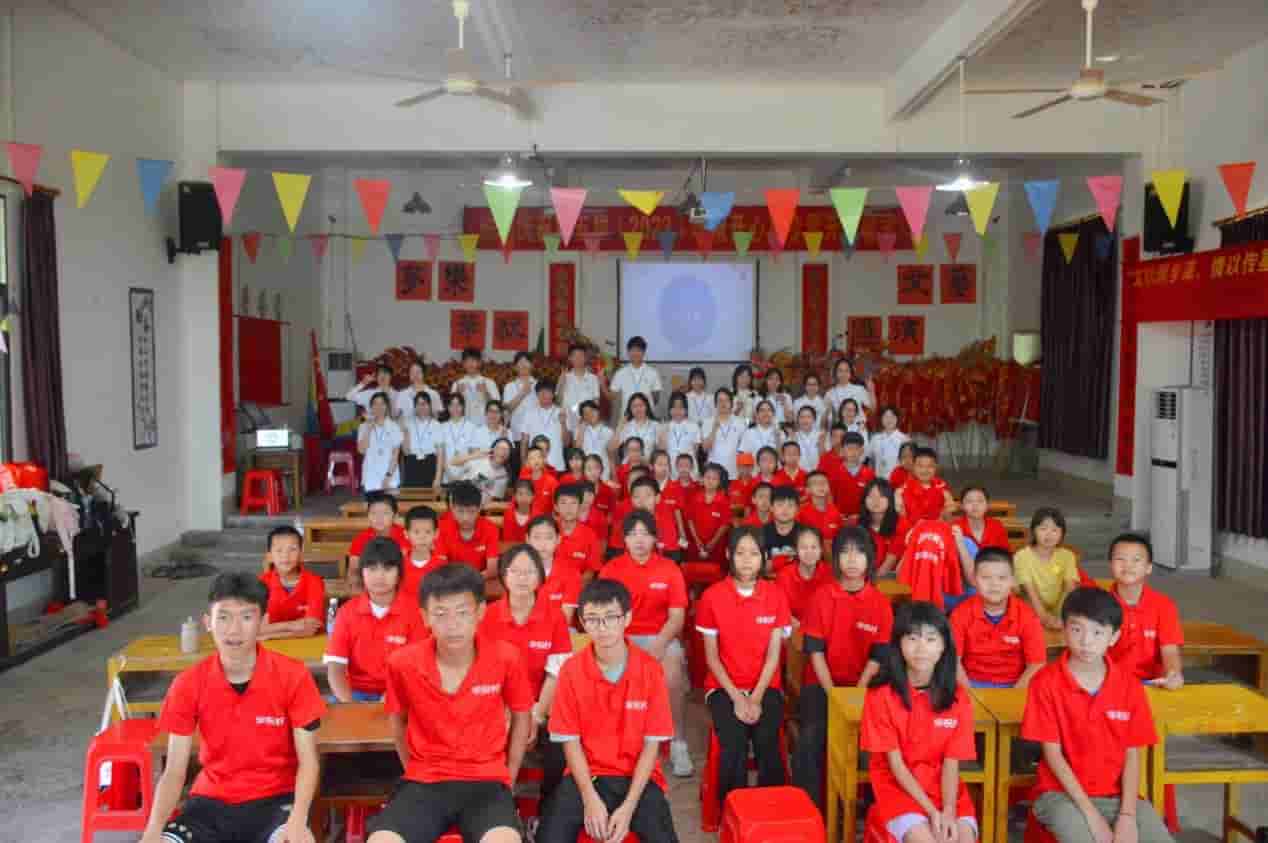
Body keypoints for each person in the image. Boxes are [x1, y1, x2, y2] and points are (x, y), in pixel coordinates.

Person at [139, 573, 325, 843]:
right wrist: (152, 831)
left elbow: (309, 762)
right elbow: (174, 771)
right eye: (224, 617)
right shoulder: (188, 683)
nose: (234, 630)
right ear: (208, 622)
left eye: (246, 617)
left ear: (263, 622)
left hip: (276, 802)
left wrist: (297, 820)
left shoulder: (293, 675)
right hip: (209, 804)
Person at [366, 564, 532, 843]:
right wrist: (414, 769)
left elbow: (521, 716)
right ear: (424, 616)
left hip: (486, 781)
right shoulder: (402, 663)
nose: (452, 624)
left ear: (480, 612)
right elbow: (398, 721)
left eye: (463, 612)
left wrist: (509, 777)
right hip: (424, 781)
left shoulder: (506, 657)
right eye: (441, 614)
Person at [1020, 587, 1173, 843]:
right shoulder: (1044, 683)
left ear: (1114, 637)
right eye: (1077, 629)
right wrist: (1092, 816)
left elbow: (1131, 754)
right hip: (1060, 795)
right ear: (1064, 630)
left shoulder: (1129, 686)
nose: (1086, 641)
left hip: (1117, 797)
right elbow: (1053, 755)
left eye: (1098, 632)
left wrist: (1127, 815)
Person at [537, 578, 680, 843]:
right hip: (586, 776)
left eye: (611, 617)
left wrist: (628, 808)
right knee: (549, 836)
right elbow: (570, 743)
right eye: (592, 619)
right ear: (582, 622)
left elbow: (652, 746)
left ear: (627, 618)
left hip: (637, 778)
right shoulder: (571, 671)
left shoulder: (650, 670)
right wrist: (590, 799)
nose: (602, 628)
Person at [860, 601, 977, 843]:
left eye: (931, 639)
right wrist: (932, 812)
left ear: (944, 646)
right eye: (912, 638)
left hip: (945, 790)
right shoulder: (880, 695)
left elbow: (951, 763)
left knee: (963, 838)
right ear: (899, 644)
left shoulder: (959, 698)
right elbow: (896, 766)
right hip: (897, 788)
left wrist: (948, 810)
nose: (921, 648)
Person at [793, 527, 892, 810]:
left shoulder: (880, 604)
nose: (851, 559)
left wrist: (857, 693)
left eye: (859, 552)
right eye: (845, 552)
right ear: (835, 559)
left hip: (863, 687)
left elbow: (878, 657)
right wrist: (835, 695)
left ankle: (876, 810)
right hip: (821, 685)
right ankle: (812, 811)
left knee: (881, 740)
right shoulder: (822, 597)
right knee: (811, 737)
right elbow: (815, 653)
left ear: (869, 559)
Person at [696, 526, 791, 809]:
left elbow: (773, 657)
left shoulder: (775, 596)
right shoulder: (712, 597)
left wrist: (756, 697)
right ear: (728, 555)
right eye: (740, 553)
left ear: (763, 557)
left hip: (766, 686)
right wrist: (738, 698)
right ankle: (732, 812)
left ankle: (770, 810)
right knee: (734, 742)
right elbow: (712, 659)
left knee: (767, 741)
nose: (747, 560)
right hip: (723, 688)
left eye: (753, 553)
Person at [600, 510, 693, 777]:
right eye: (632, 534)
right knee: (609, 672)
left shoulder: (669, 569)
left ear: (654, 538)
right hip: (621, 637)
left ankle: (677, 743)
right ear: (624, 540)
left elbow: (677, 617)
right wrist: (621, 644)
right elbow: (603, 614)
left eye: (645, 534)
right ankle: (614, 743)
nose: (639, 540)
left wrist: (659, 645)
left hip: (660, 636)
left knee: (673, 673)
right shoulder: (611, 570)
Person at [480, 543, 573, 804]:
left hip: (542, 705)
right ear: (503, 575)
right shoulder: (488, 616)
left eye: (530, 571)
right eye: (515, 571)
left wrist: (536, 715)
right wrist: (508, 712)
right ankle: (495, 803)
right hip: (499, 705)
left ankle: (548, 809)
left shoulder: (554, 617)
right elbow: (483, 670)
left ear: (540, 576)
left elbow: (556, 672)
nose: (522, 578)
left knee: (560, 746)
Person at [325, 538, 428, 703]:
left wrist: (391, 698)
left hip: (401, 690)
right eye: (372, 568)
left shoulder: (415, 611)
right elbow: (335, 669)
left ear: (399, 573)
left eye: (387, 569)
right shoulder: (346, 612)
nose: (379, 576)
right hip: (355, 692)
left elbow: (416, 668)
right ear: (362, 573)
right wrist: (352, 705)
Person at [950, 547, 1046, 688]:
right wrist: (969, 694)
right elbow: (953, 661)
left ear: (1013, 581)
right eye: (986, 577)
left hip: (1015, 684)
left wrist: (1013, 695)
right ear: (974, 580)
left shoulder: (1027, 616)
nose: (994, 584)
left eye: (1002, 578)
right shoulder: (960, 614)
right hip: (971, 682)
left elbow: (1036, 664)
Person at [1105, 533, 1184, 687]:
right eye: (1120, 559)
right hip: (1111, 684)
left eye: (1136, 560)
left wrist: (1173, 673)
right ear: (1111, 565)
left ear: (1149, 568)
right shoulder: (1099, 604)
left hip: (1153, 683)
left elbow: (1170, 650)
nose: (1128, 566)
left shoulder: (1164, 605)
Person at [1013, 507, 1080, 631]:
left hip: (1059, 611)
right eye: (1043, 529)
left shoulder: (1067, 556)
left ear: (1062, 534)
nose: (1049, 534)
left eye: (1055, 530)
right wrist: (1044, 617)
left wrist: (1062, 617)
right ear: (1033, 531)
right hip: (1031, 610)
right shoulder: (1022, 556)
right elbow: (1029, 591)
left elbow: (1069, 587)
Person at [258, 525, 326, 640]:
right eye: (279, 550)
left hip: (308, 645)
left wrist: (269, 634)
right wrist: (292, 625)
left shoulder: (314, 582)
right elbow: (254, 627)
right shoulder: (261, 582)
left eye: (292, 549)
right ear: (269, 556)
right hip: (269, 647)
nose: (285, 556)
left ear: (301, 554)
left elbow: (311, 629)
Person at [435, 481, 500, 578]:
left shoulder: (491, 528)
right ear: (452, 508)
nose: (465, 518)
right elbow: (441, 567)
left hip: (480, 579)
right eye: (460, 511)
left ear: (479, 509)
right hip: (451, 580)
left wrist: (471, 581)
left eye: (471, 511)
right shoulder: (441, 528)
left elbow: (492, 570)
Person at [526, 514, 583, 623]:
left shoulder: (571, 572)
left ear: (558, 540)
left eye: (549, 537)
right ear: (528, 540)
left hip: (558, 630)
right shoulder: (518, 571)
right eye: (537, 537)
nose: (543, 544)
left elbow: (565, 619)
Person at [898, 517, 963, 611]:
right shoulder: (914, 537)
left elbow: (969, 580)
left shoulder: (960, 540)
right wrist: (909, 547)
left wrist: (960, 543)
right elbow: (900, 575)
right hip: (913, 605)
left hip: (946, 606)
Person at [348, 491, 412, 584]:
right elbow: (353, 571)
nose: (379, 518)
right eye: (374, 513)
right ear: (368, 516)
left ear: (395, 516)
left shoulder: (406, 536)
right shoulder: (361, 539)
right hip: (370, 584)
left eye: (385, 513)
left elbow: (409, 567)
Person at [774, 525, 834, 624]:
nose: (809, 552)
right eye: (803, 547)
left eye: (814, 547)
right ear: (796, 550)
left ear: (821, 550)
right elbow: (780, 611)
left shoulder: (830, 574)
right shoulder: (784, 576)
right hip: (793, 628)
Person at [952, 487, 1010, 575]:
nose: (975, 505)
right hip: (963, 576)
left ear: (987, 505)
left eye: (980, 501)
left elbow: (1005, 556)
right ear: (962, 506)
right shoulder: (955, 527)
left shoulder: (996, 526)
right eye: (969, 501)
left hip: (992, 574)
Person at [860, 478, 910, 577]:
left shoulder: (901, 523)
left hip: (892, 578)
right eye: (871, 496)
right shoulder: (857, 524)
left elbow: (888, 565)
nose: (876, 501)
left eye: (882, 496)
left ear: (890, 499)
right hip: (863, 576)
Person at [685, 462, 732, 567]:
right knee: (696, 570)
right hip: (696, 545)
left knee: (716, 571)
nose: (710, 481)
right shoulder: (694, 498)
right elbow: (690, 520)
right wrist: (696, 540)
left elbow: (725, 524)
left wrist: (713, 542)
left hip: (717, 546)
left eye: (714, 478)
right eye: (707, 477)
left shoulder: (724, 501)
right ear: (702, 479)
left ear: (719, 482)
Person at [629, 474, 684, 562]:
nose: (642, 501)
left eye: (648, 495)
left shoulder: (665, 522)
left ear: (657, 498)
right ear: (631, 500)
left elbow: (673, 555)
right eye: (636, 496)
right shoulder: (629, 523)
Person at [554, 483, 603, 578]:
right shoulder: (548, 532)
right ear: (556, 507)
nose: (569, 508)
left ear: (580, 507)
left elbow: (591, 570)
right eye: (563, 503)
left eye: (573, 503)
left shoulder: (590, 535)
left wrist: (575, 585)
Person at [358, 391, 404, 492]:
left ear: (387, 406)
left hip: (390, 478)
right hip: (370, 478)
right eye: (375, 404)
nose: (378, 407)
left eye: (382, 403)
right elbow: (361, 450)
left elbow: (395, 456)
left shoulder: (394, 427)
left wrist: (388, 476)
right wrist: (368, 428)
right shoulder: (363, 426)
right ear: (371, 407)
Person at [606, 336, 663, 417]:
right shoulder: (620, 373)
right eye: (633, 350)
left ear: (644, 352)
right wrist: (602, 382)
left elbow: (656, 399)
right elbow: (612, 397)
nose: (635, 353)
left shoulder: (653, 372)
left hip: (647, 417)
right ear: (628, 352)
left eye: (639, 350)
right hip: (627, 418)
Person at [896, 447, 953, 523]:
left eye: (930, 466)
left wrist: (947, 511)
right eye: (920, 466)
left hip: (936, 528)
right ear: (913, 467)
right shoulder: (902, 490)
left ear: (936, 467)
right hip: (912, 528)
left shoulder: (942, 488)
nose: (925, 470)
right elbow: (901, 517)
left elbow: (949, 517)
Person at [521, 379, 566, 473]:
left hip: (557, 465)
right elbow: (524, 442)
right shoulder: (529, 413)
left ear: (553, 394)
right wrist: (524, 462)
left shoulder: (561, 412)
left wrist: (563, 423)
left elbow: (566, 443)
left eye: (547, 391)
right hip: (534, 467)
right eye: (540, 392)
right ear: (537, 395)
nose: (544, 394)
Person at [829, 431, 875, 519]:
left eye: (856, 449)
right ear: (842, 450)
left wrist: (862, 515)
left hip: (862, 519)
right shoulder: (834, 472)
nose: (853, 452)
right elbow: (830, 499)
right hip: (839, 519)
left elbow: (871, 499)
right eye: (849, 448)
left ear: (862, 451)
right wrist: (836, 515)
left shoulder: (869, 474)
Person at [401, 391, 442, 490]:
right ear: (415, 407)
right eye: (418, 404)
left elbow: (440, 454)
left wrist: (438, 478)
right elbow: (406, 452)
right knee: (411, 497)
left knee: (430, 498)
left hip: (430, 464)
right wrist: (405, 433)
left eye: (424, 404)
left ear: (429, 406)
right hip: (412, 464)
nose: (422, 407)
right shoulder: (408, 423)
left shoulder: (436, 425)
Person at [703, 388, 746, 481]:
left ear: (731, 403)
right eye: (720, 400)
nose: (723, 403)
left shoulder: (740, 422)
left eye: (726, 400)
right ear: (715, 404)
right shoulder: (707, 422)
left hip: (734, 472)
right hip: (713, 474)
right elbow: (705, 448)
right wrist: (714, 429)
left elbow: (743, 449)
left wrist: (742, 470)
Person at [401, 505, 442, 604]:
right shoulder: (399, 564)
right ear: (406, 534)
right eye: (416, 532)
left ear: (436, 533)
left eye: (427, 532)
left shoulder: (442, 566)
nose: (422, 537)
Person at [559, 343, 602, 433]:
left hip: (587, 422)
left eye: (581, 356)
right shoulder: (564, 377)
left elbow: (596, 402)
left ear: (586, 358)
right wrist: (562, 382)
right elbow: (559, 400)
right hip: (568, 422)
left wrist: (593, 419)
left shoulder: (593, 378)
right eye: (575, 356)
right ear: (570, 358)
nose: (578, 358)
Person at [440, 393, 482, 484]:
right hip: (446, 476)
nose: (455, 408)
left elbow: (475, 454)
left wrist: (462, 473)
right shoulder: (442, 427)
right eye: (452, 405)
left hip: (466, 476)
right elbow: (440, 456)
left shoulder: (471, 427)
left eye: (458, 404)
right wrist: (449, 475)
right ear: (448, 407)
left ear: (463, 407)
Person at [798, 471, 846, 549]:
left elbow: (841, 538)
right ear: (807, 490)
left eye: (824, 482)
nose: (821, 485)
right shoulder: (801, 512)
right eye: (815, 483)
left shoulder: (835, 511)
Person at [659, 392, 701, 479]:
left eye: (681, 407)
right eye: (674, 407)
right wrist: (664, 434)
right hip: (670, 469)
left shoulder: (693, 426)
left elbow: (695, 451)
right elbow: (662, 451)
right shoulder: (664, 426)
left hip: (689, 469)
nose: (677, 410)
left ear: (686, 409)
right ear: (669, 409)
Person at [763, 486, 803, 573]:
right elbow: (758, 567)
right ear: (771, 507)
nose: (785, 509)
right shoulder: (761, 533)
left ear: (797, 509)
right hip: (769, 580)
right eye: (780, 505)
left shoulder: (806, 534)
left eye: (790, 505)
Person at [453, 347, 500, 421]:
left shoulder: (489, 383)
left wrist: (486, 393)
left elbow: (497, 407)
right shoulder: (457, 384)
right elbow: (452, 408)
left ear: (480, 363)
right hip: (464, 424)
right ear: (463, 364)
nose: (470, 364)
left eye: (473, 360)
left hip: (485, 424)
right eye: (467, 361)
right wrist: (458, 393)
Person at [825, 357, 876, 425]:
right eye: (840, 371)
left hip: (859, 427)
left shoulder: (859, 389)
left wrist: (871, 391)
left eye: (846, 371)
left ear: (851, 372)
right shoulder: (830, 393)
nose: (843, 374)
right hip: (840, 428)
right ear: (835, 373)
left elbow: (873, 408)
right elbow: (827, 419)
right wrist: (827, 412)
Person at [501, 350, 537, 445]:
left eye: (526, 362)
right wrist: (522, 393)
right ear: (515, 367)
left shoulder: (539, 385)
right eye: (520, 362)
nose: (524, 365)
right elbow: (507, 409)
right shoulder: (509, 386)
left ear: (532, 365)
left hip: (535, 434)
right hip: (516, 434)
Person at [614, 393, 660, 464]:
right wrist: (619, 427)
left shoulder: (656, 425)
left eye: (641, 405)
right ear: (630, 409)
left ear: (647, 406)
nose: (638, 409)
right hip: (628, 466)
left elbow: (661, 450)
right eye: (634, 406)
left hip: (648, 465)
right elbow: (612, 448)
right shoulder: (626, 426)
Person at [867, 406, 910, 482]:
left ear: (897, 419)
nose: (889, 420)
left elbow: (909, 463)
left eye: (892, 417)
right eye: (886, 417)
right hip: (879, 481)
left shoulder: (904, 439)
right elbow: (869, 460)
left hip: (898, 481)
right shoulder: (875, 439)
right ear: (881, 419)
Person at [575, 400, 615, 479]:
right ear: (582, 417)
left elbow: (611, 456)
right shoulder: (579, 430)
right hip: (586, 471)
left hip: (604, 472)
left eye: (592, 411)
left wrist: (614, 475)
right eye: (586, 413)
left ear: (598, 412)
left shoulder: (608, 431)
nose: (590, 415)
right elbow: (577, 451)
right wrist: (582, 430)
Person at [523, 446, 560, 518]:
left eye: (539, 457)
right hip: (527, 519)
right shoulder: (524, 480)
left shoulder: (552, 482)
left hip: (546, 520)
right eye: (532, 458)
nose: (536, 460)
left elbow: (557, 506)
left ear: (544, 459)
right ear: (527, 462)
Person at [502, 479, 535, 544]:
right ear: (514, 496)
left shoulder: (537, 515)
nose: (524, 498)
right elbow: (507, 540)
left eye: (528, 494)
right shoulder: (509, 513)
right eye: (520, 494)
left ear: (533, 496)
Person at [791, 405, 822, 471]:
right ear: (798, 419)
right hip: (799, 473)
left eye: (808, 417)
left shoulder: (821, 435)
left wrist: (821, 445)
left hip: (818, 473)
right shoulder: (793, 436)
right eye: (802, 417)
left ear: (814, 419)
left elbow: (825, 457)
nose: (805, 420)